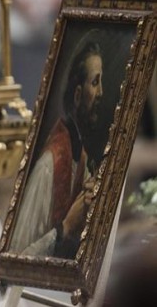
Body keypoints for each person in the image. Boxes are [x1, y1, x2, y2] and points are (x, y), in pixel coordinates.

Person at [10, 37, 104, 259]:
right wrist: (66, 227)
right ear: (78, 94)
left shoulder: (79, 157)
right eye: (95, 82)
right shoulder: (49, 166)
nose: (101, 92)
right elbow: (18, 258)